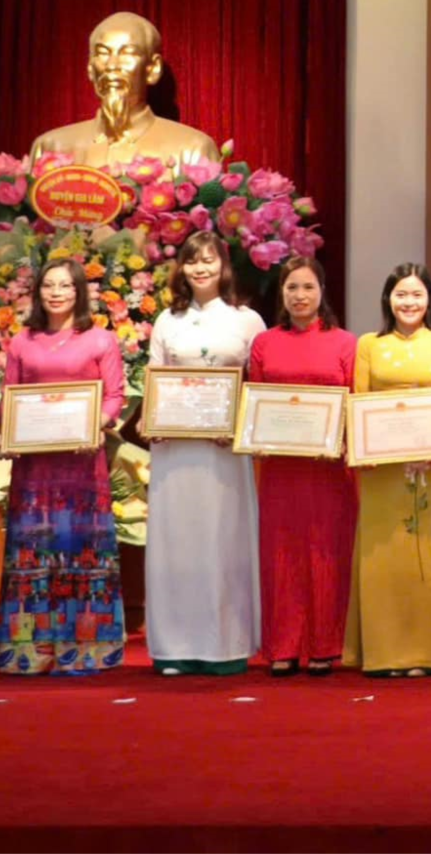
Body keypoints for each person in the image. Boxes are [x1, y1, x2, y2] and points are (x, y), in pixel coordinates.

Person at [0, 258, 128, 675]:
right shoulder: (22, 342)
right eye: (48, 285)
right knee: (34, 550)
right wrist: (8, 436)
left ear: (79, 292)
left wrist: (96, 424)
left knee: (80, 548)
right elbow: (12, 396)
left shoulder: (101, 339)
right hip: (35, 469)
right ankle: (28, 652)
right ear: (37, 292)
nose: (56, 293)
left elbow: (114, 396)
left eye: (65, 285)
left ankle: (88, 649)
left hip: (82, 466)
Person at [145, 231, 266, 676]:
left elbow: (259, 385)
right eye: (192, 260)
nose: (201, 268)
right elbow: (155, 379)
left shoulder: (247, 320)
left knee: (222, 542)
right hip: (175, 451)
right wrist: (154, 421)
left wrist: (238, 424)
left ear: (224, 266)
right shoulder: (167, 320)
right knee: (177, 543)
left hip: (224, 453)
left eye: (209, 260)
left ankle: (227, 646)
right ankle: (173, 647)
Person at [346, 262, 431, 676]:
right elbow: (359, 400)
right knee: (384, 559)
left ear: (429, 299)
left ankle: (430, 654)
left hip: (427, 465)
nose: (409, 302)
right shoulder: (369, 345)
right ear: (388, 299)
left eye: (417, 294)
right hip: (382, 471)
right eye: (401, 294)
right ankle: (385, 654)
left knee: (425, 559)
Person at [246, 256, 357, 677]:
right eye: (291, 287)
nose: (299, 295)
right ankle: (284, 645)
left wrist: (341, 440)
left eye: (308, 286)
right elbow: (254, 400)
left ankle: (325, 644)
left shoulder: (345, 343)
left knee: (326, 550)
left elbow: (354, 401)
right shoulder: (265, 343)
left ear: (322, 291)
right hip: (280, 469)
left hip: (329, 469)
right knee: (282, 552)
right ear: (282, 293)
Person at [29, 11, 222, 169]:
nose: (112, 65)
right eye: (103, 53)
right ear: (90, 68)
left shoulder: (192, 149)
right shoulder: (51, 148)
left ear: (153, 68)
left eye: (127, 53)